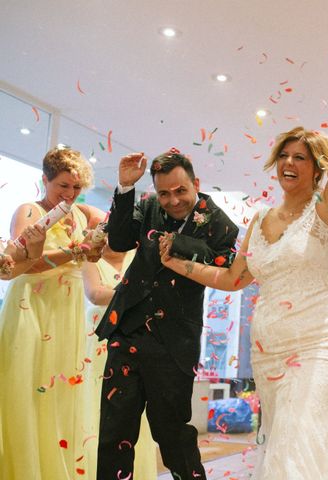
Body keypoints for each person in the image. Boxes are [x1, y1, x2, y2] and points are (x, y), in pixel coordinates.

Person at [160, 42, 328, 479]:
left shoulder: (326, 213)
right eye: (284, 154)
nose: (289, 162)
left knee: (301, 434)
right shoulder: (259, 219)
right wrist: (175, 264)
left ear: (318, 170)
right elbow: (231, 278)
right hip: (270, 353)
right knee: (296, 437)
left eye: (301, 157)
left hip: (322, 343)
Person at [94, 149, 239, 479]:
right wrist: (125, 189)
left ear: (196, 184)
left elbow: (226, 265)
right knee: (114, 433)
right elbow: (118, 241)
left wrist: (180, 244)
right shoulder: (146, 206)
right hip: (127, 331)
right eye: (164, 193)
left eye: (180, 191)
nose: (172, 201)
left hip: (174, 343)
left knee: (173, 435)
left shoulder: (221, 224)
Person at [0, 146, 105, 480]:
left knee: (61, 389)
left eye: (75, 187)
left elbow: (104, 229)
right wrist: (74, 251)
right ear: (44, 180)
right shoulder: (29, 211)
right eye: (62, 185)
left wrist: (94, 246)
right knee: (27, 383)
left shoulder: (79, 214)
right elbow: (21, 264)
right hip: (33, 302)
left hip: (68, 306)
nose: (70, 194)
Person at [82, 243, 157, 479]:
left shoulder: (139, 256)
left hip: (136, 338)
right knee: (100, 404)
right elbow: (95, 294)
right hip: (100, 341)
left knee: (134, 405)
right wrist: (138, 295)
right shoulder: (91, 259)